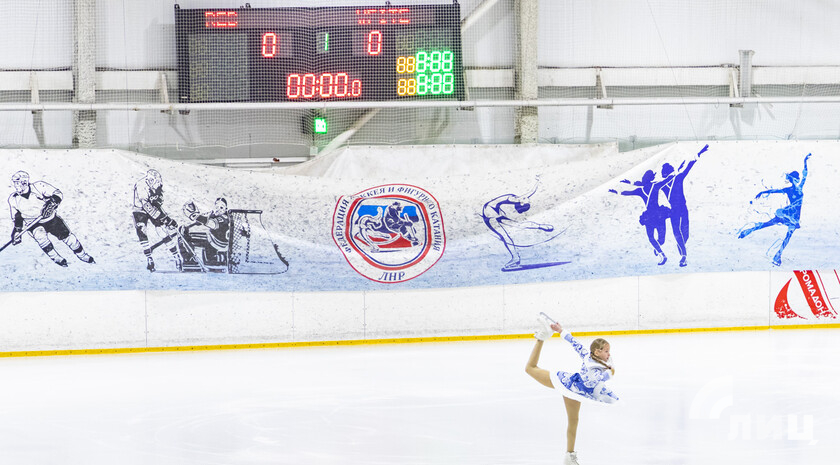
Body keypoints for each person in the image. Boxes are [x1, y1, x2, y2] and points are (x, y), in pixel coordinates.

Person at [525, 314, 618, 465]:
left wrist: (561, 330)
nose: (609, 354)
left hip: (576, 393)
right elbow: (575, 344)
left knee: (573, 421)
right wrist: (561, 331)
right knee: (530, 369)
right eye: (606, 351)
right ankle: (541, 337)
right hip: (568, 384)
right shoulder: (591, 361)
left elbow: (601, 372)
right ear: (596, 352)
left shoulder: (602, 363)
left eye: (609, 351)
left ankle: (569, 457)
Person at [7, 170, 95, 267]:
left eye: (18, 183)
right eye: (15, 183)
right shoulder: (13, 198)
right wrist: (17, 231)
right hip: (33, 224)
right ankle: (56, 258)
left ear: (25, 182)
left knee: (68, 237)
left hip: (51, 219)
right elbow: (17, 217)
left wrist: (52, 203)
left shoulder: (39, 186)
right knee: (41, 238)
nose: (16, 186)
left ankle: (82, 255)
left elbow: (57, 193)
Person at [737, 153, 810, 266]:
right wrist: (763, 192)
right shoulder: (789, 190)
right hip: (789, 215)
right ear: (792, 179)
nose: (797, 180)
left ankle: (777, 255)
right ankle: (749, 231)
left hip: (793, 216)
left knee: (786, 235)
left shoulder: (799, 187)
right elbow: (775, 191)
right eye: (795, 179)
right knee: (774, 227)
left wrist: (805, 161)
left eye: (797, 179)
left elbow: (805, 174)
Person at [482, 179, 555, 271]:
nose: (528, 200)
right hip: (490, 215)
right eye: (527, 202)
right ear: (521, 203)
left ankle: (540, 226)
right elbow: (529, 194)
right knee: (509, 234)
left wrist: (537, 181)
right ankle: (515, 258)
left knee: (517, 226)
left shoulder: (519, 198)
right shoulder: (515, 199)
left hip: (494, 213)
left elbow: (530, 192)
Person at [610, 169, 672, 265]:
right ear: (652, 178)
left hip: (649, 217)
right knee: (661, 239)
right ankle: (661, 253)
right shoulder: (655, 185)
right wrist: (673, 174)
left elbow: (627, 192)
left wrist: (617, 191)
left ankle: (660, 252)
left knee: (651, 238)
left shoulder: (640, 190)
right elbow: (665, 181)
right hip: (659, 215)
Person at [660, 144, 707, 267]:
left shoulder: (662, 184)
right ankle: (683, 256)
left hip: (675, 210)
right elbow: (689, 165)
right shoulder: (678, 178)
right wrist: (699, 153)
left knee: (680, 234)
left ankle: (681, 247)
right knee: (683, 234)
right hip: (681, 209)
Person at [132, 169, 181, 272]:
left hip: (152, 207)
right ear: (150, 181)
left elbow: (157, 204)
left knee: (162, 230)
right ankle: (149, 258)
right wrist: (163, 218)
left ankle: (176, 256)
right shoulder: (141, 185)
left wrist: (167, 219)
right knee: (142, 231)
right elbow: (146, 206)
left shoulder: (158, 185)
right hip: (139, 209)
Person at [181, 197, 231, 267]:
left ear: (226, 209)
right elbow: (203, 218)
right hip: (217, 241)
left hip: (215, 243)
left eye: (221, 207)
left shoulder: (222, 219)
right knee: (186, 232)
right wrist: (189, 225)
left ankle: (189, 261)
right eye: (217, 207)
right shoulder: (219, 215)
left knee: (184, 236)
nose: (218, 209)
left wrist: (193, 215)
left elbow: (209, 222)